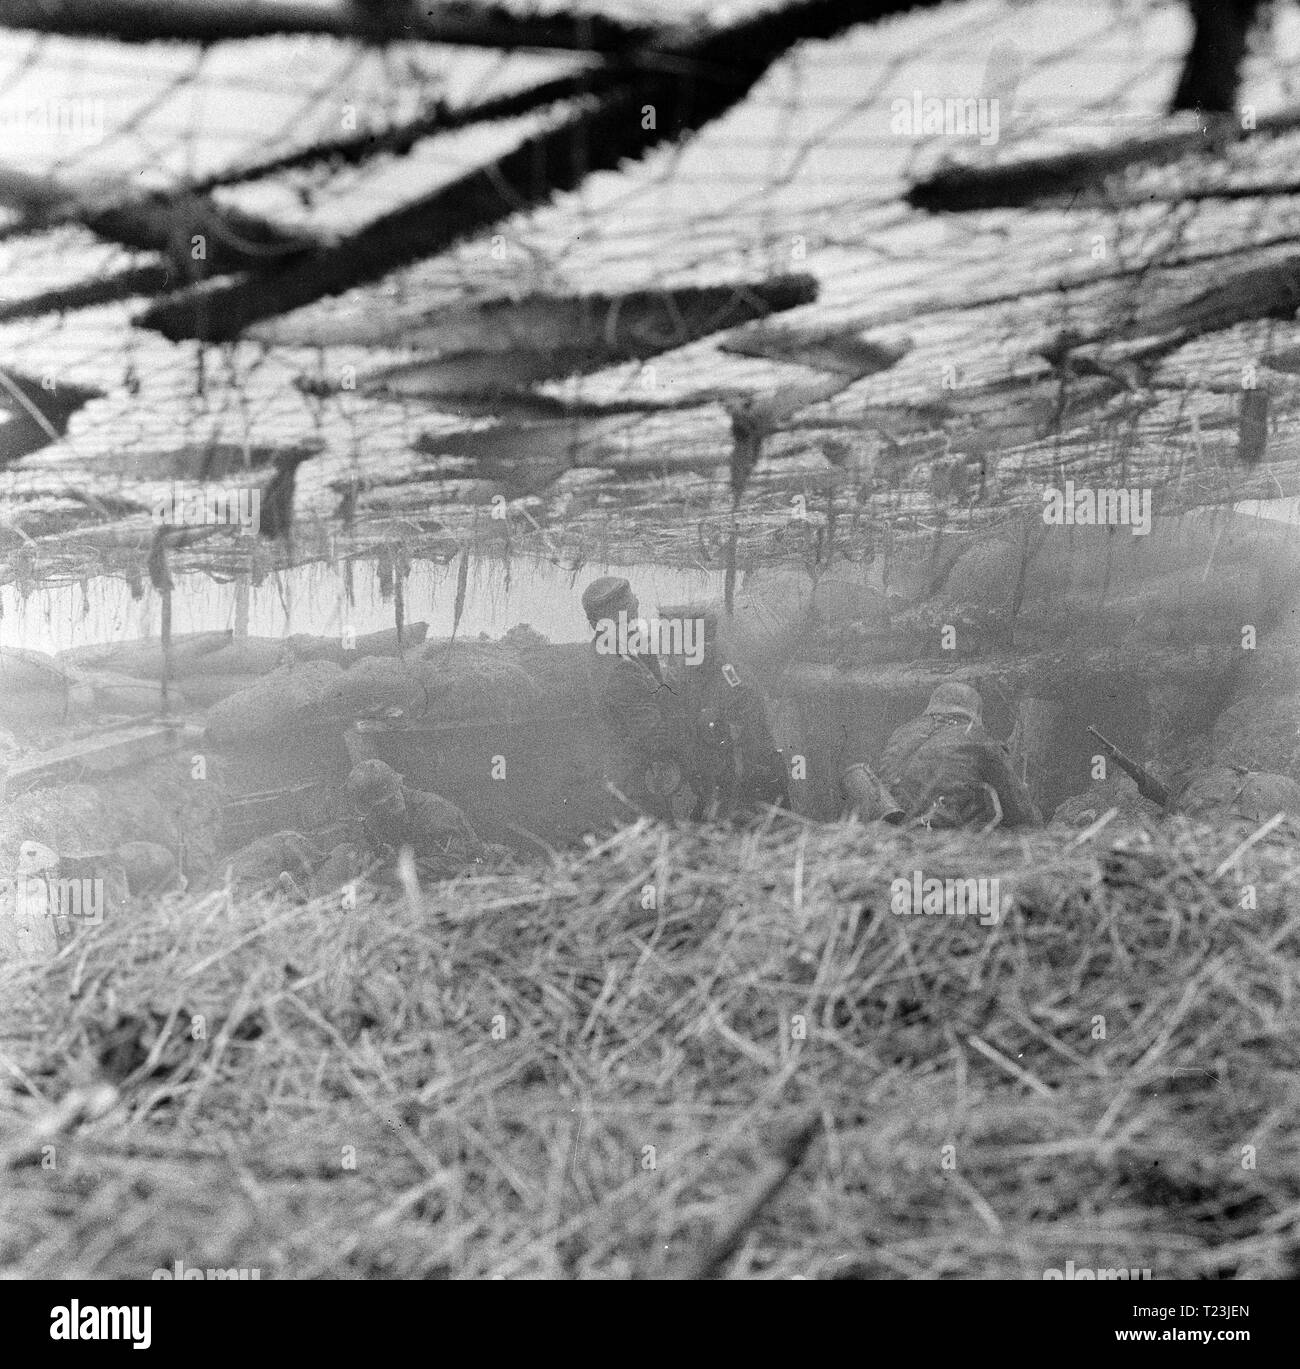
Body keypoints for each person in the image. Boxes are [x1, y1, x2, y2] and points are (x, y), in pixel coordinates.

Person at [581, 576, 687, 819]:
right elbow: (655, 736)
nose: (637, 621)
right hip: (640, 782)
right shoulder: (621, 669)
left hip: (624, 774)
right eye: (632, 614)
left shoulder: (605, 650)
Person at [878, 682, 1041, 830]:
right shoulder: (979, 740)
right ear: (975, 714)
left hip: (886, 830)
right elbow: (1021, 815)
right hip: (938, 836)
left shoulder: (901, 734)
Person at [345, 759, 484, 871]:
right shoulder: (381, 817)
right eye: (375, 809)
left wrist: (398, 871)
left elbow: (453, 861)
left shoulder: (433, 809)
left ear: (394, 795)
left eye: (388, 803)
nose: (379, 814)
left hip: (474, 870)